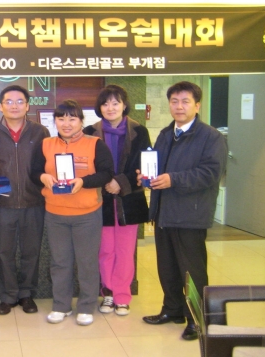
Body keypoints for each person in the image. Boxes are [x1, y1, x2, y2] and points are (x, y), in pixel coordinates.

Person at [140, 81, 227, 341]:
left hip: (191, 215)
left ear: (197, 106)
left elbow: (210, 173)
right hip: (164, 212)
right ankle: (172, 309)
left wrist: (173, 179)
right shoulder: (167, 134)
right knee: (167, 267)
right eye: (174, 101)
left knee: (192, 271)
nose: (179, 106)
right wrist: (147, 177)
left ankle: (196, 320)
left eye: (185, 101)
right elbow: (158, 166)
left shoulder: (211, 137)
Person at [31, 100, 114, 326]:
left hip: (87, 214)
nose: (66, 123)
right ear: (55, 121)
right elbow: (34, 172)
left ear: (81, 121)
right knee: (60, 262)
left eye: (72, 118)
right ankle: (61, 305)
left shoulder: (95, 144)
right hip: (55, 213)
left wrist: (83, 182)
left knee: (87, 262)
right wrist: (43, 177)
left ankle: (86, 306)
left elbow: (107, 173)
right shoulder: (45, 144)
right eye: (61, 118)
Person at [83, 85, 151, 317]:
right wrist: (105, 182)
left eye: (115, 103)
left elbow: (144, 164)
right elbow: (86, 164)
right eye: (105, 103)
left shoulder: (139, 131)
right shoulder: (90, 131)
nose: (110, 108)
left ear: (124, 105)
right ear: (99, 107)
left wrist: (120, 182)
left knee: (125, 250)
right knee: (105, 250)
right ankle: (108, 293)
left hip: (128, 199)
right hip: (99, 199)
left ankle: (122, 296)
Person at [0, 85, 50, 316]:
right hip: (3, 203)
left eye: (20, 101)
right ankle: (8, 295)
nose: (14, 106)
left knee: (31, 251)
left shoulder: (40, 132)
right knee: (5, 252)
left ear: (27, 106)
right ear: (0, 106)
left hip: (34, 201)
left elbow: (47, 165)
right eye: (8, 101)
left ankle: (26, 294)